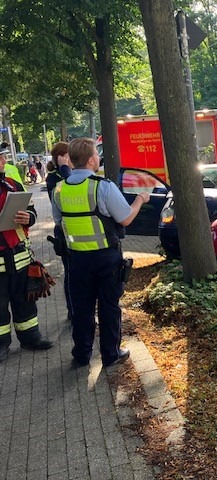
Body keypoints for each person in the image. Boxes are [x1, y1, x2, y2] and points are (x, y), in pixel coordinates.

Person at [52, 138, 150, 368]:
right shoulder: (102, 186)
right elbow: (125, 218)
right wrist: (139, 200)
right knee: (108, 307)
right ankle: (110, 354)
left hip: (76, 259)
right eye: (96, 154)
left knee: (82, 308)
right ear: (89, 160)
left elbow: (59, 222)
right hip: (106, 259)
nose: (98, 158)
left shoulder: (59, 189)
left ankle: (82, 354)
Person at [0, 149, 54, 363]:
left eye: (3, 156)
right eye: (0, 157)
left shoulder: (13, 184)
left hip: (20, 256)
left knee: (25, 300)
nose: (3, 160)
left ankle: (31, 338)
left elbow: (31, 210)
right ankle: (1, 345)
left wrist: (28, 218)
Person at [46, 142, 72, 319]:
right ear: (61, 157)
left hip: (77, 233)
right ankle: (72, 311)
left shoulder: (70, 173)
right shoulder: (54, 178)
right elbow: (66, 192)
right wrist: (64, 169)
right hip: (64, 233)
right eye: (68, 156)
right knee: (70, 273)